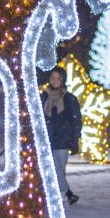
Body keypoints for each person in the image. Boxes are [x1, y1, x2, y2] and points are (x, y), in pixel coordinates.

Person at [41, 66, 82, 204]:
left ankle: (60, 196)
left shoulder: (69, 99)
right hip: (47, 139)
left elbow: (76, 120)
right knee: (54, 168)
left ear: (63, 80)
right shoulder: (43, 97)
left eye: (58, 78)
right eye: (52, 78)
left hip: (64, 139)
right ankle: (66, 193)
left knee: (60, 170)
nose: (55, 81)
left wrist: (75, 139)